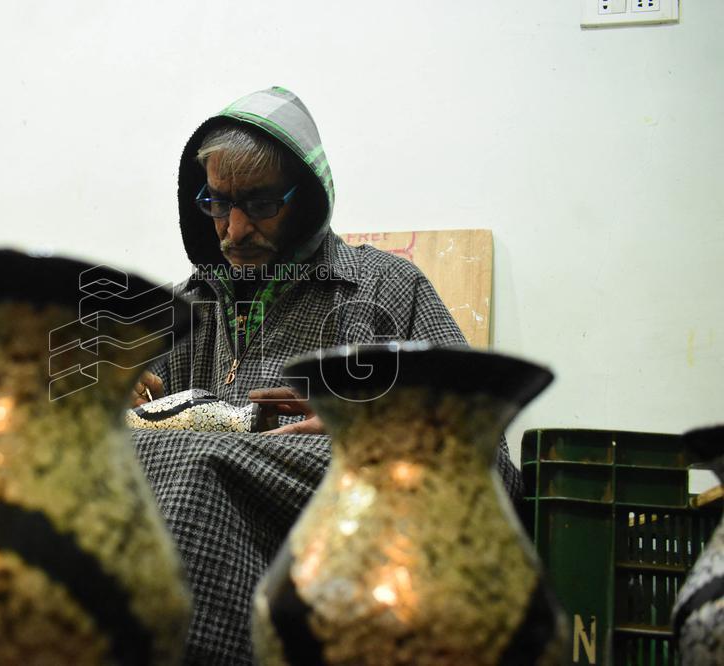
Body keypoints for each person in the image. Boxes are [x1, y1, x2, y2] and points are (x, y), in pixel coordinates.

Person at [132, 86, 522, 664]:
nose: (235, 230)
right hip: (201, 568)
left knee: (197, 460)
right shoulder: (179, 311)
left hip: (339, 572)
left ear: (308, 199)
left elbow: (493, 466)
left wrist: (373, 427)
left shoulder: (389, 290)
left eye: (261, 204)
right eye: (217, 203)